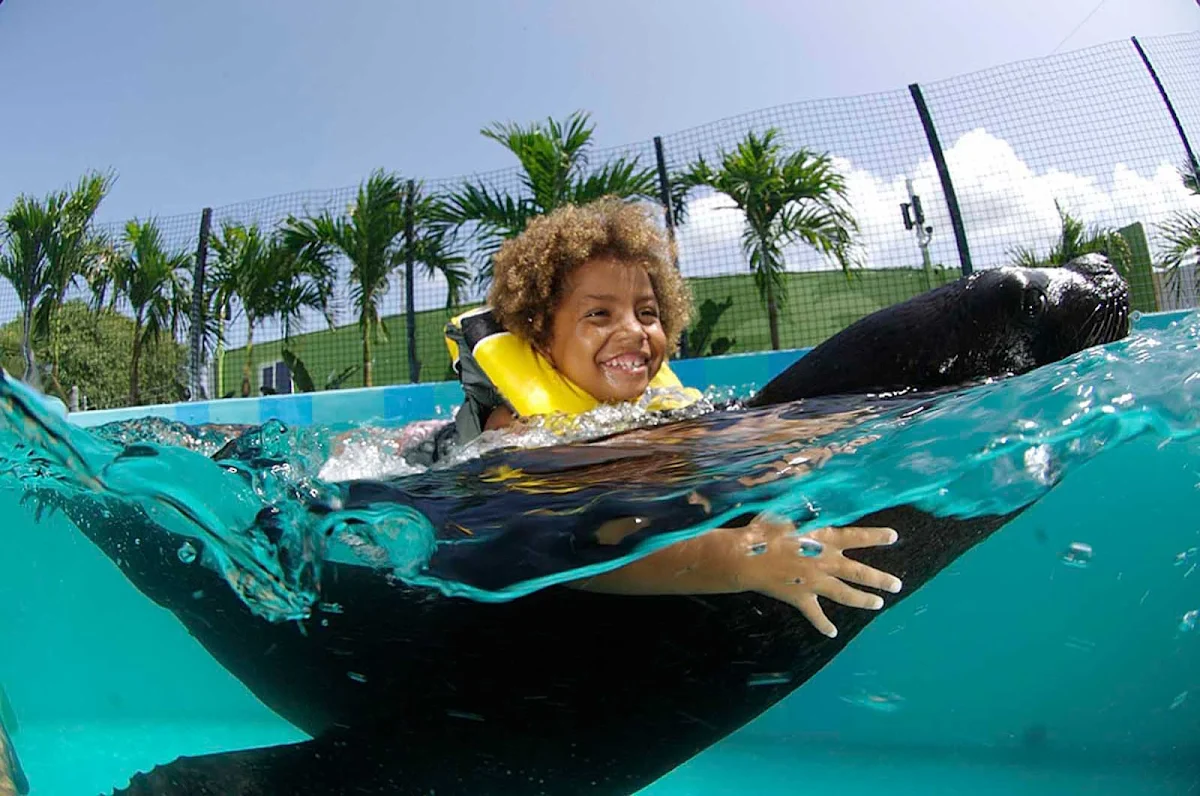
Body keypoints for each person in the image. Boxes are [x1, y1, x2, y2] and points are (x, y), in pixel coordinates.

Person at [421, 197, 903, 638]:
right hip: (434, 460)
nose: (633, 331)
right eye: (599, 316)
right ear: (541, 336)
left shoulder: (659, 406)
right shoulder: (519, 430)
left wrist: (821, 436)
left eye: (647, 313)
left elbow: (728, 433)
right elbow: (565, 550)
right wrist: (745, 558)